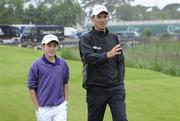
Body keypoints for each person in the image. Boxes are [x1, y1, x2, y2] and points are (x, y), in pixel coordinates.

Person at [79, 5, 128, 121]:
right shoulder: (86, 39)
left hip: (115, 89)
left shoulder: (114, 37)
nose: (102, 20)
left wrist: (120, 83)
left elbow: (120, 61)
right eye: (99, 17)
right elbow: (88, 58)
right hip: (96, 90)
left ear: (108, 18)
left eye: (105, 17)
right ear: (93, 19)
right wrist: (107, 55)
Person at [27, 34, 69, 121]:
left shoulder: (63, 64)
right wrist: (38, 109)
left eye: (54, 46)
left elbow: (65, 83)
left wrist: (65, 102)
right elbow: (31, 88)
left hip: (60, 107)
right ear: (43, 47)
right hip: (43, 109)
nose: (52, 48)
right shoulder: (36, 65)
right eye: (49, 46)